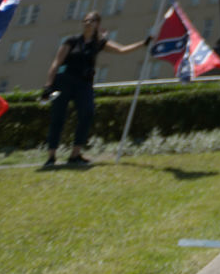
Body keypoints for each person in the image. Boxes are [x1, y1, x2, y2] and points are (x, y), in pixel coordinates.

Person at [41, 11, 149, 167]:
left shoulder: (98, 44)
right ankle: (51, 157)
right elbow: (56, 63)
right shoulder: (71, 41)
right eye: (85, 20)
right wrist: (48, 85)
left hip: (84, 83)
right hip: (64, 81)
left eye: (91, 21)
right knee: (58, 117)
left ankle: (75, 154)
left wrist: (144, 43)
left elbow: (121, 50)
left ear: (97, 24)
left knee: (87, 112)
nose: (87, 23)